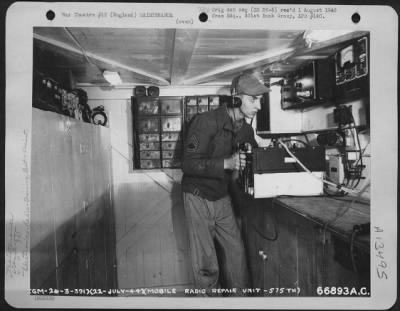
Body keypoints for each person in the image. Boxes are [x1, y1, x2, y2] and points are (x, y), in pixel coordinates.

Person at [181, 72, 269, 296]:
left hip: (222, 197)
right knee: (206, 261)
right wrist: (227, 163)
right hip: (198, 196)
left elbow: (255, 160)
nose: (259, 106)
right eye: (253, 99)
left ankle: (241, 301)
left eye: (260, 100)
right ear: (236, 98)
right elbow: (189, 164)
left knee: (236, 254)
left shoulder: (247, 130)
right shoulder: (205, 121)